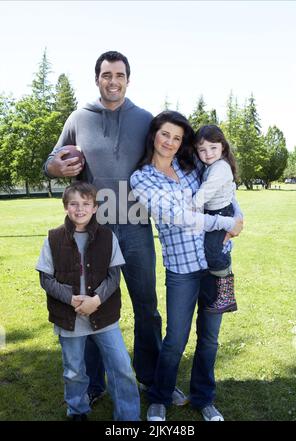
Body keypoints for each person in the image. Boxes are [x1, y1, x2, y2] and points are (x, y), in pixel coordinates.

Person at [43, 51, 186, 406]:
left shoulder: (145, 119)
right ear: (97, 79)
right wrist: (55, 168)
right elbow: (52, 159)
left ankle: (151, 379)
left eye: (119, 75)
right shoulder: (78, 118)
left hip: (137, 225)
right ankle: (93, 385)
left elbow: (169, 156)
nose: (113, 81)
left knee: (146, 306)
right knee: (91, 305)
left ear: (127, 79)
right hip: (95, 232)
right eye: (106, 75)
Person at [130, 111, 243, 422]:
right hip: (181, 271)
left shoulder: (193, 166)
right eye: (166, 134)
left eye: (178, 138)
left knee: (210, 338)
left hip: (218, 264)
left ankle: (204, 398)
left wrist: (238, 216)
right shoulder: (141, 178)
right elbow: (178, 217)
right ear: (154, 135)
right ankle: (159, 397)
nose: (170, 142)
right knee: (175, 339)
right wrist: (225, 222)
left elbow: (225, 189)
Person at [36, 181, 140, 421]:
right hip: (69, 317)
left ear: (95, 208)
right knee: (73, 371)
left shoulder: (107, 236)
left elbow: (114, 276)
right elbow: (46, 278)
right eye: (73, 204)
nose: (79, 209)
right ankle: (77, 410)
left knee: (121, 367)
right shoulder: (53, 238)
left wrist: (96, 300)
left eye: (86, 204)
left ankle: (128, 417)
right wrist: (71, 299)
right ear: (65, 207)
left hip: (103, 315)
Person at [194, 124, 238, 313]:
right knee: (211, 251)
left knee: (213, 252)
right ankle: (220, 295)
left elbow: (205, 192)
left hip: (221, 213)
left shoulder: (220, 167)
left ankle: (227, 297)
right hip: (215, 213)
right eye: (202, 149)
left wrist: (189, 206)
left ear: (223, 147)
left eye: (213, 148)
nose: (208, 153)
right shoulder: (211, 166)